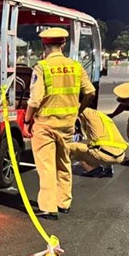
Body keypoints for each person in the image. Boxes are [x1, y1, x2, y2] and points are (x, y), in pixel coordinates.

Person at [24, 27, 95, 220]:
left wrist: (26, 121)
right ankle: (64, 203)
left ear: (43, 44)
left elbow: (35, 100)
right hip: (67, 125)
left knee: (46, 166)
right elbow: (90, 92)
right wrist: (78, 110)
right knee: (64, 162)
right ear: (63, 44)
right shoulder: (75, 66)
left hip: (45, 125)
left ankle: (48, 207)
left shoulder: (42, 67)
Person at [69, 108, 129, 178]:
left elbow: (78, 108)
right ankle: (108, 169)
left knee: (69, 147)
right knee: (101, 144)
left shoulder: (87, 114)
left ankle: (92, 169)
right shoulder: (104, 117)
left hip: (104, 155)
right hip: (120, 156)